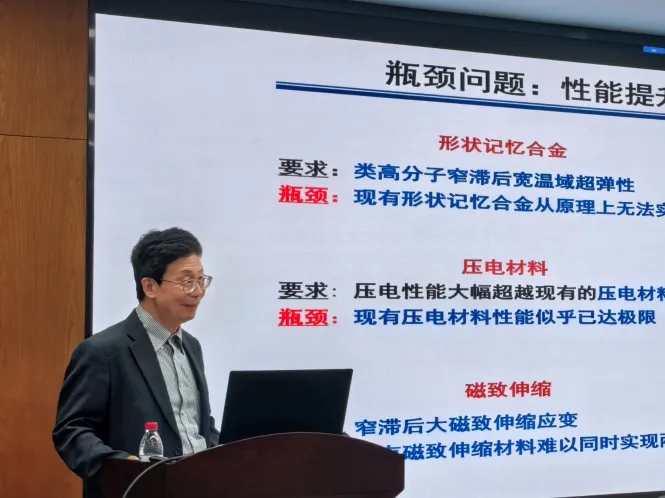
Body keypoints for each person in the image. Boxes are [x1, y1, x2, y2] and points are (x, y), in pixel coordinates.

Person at [53, 227, 219, 495]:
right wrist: (122, 466)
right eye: (187, 281)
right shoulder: (102, 351)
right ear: (150, 286)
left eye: (201, 280)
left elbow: (198, 425)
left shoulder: (191, 347)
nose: (198, 291)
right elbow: (72, 431)